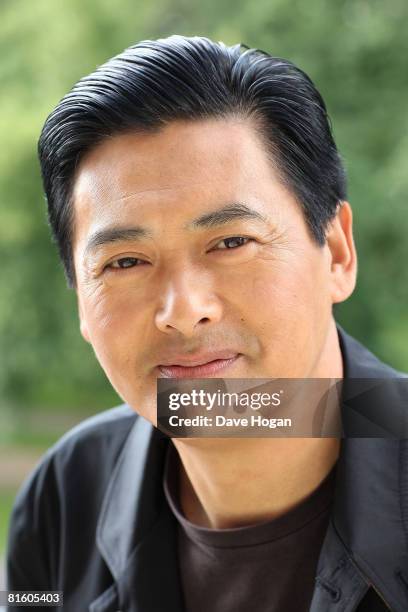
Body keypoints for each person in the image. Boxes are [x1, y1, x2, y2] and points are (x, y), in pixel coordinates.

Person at [6, 35, 408, 612]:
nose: (183, 309)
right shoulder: (67, 492)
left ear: (337, 253)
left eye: (231, 242)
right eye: (125, 262)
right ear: (80, 302)